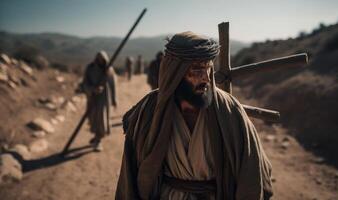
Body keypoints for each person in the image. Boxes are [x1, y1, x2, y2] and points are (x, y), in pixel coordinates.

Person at [115, 32, 273, 199]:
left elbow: (252, 172)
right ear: (175, 72)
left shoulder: (229, 110)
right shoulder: (149, 110)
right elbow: (130, 173)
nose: (205, 77)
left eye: (208, 68)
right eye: (197, 69)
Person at [82, 51, 117, 151]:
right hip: (92, 98)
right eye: (98, 58)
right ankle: (96, 137)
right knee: (93, 118)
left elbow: (113, 85)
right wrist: (93, 89)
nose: (100, 60)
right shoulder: (90, 68)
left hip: (104, 99)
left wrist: (114, 99)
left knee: (101, 119)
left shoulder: (109, 69)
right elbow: (84, 84)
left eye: (102, 59)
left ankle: (98, 140)